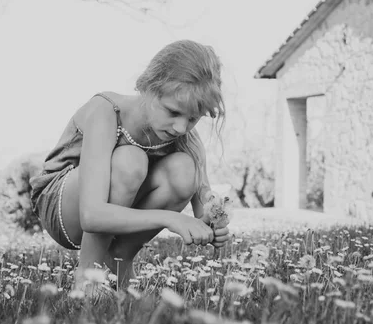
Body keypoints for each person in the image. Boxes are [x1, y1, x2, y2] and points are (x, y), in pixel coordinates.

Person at [29, 40, 231, 289]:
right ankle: (88, 277)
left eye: (193, 118)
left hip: (110, 209)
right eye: (172, 112)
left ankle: (118, 260)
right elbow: (91, 215)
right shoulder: (107, 111)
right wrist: (169, 219)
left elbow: (203, 210)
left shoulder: (186, 138)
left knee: (184, 170)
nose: (181, 127)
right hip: (63, 206)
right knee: (129, 160)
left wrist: (212, 223)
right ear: (147, 87)